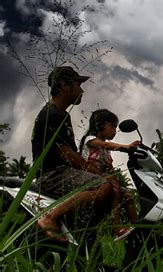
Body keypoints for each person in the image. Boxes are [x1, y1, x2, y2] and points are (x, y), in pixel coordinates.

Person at [32, 66, 114, 242]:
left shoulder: (60, 114)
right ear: (64, 86)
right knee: (104, 186)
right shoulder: (52, 114)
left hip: (61, 172)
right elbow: (66, 153)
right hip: (53, 174)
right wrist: (96, 172)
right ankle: (50, 218)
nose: (81, 90)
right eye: (78, 84)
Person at [79, 109, 140, 238]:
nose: (114, 130)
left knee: (128, 195)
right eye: (112, 126)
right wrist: (125, 147)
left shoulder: (106, 149)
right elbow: (104, 145)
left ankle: (138, 227)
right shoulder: (90, 139)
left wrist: (115, 179)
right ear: (102, 124)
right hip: (88, 177)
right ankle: (116, 228)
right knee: (116, 191)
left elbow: (110, 167)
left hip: (103, 179)